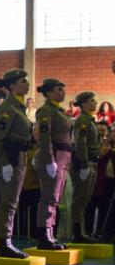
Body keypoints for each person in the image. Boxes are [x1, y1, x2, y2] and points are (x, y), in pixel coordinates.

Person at [0, 69, 33, 258]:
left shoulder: (19, 107)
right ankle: (4, 242)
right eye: (23, 81)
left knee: (12, 201)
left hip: (21, 157)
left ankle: (7, 240)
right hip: (11, 157)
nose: (27, 84)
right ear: (12, 85)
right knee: (8, 202)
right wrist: (3, 163)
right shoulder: (7, 107)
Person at [32, 79, 72, 250]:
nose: (63, 92)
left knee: (54, 198)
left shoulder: (58, 111)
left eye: (63, 89)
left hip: (62, 156)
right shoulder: (46, 111)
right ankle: (44, 236)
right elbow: (44, 136)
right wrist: (49, 160)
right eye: (59, 90)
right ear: (48, 93)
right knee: (49, 197)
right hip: (54, 156)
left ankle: (50, 233)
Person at [70, 91, 102, 243]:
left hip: (92, 162)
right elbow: (80, 143)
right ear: (83, 104)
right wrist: (83, 163)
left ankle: (81, 232)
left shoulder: (89, 120)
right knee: (80, 199)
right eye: (91, 101)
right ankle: (77, 233)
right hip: (85, 162)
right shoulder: (82, 120)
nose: (95, 104)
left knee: (85, 200)